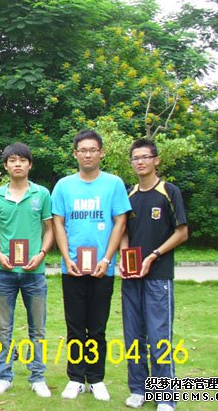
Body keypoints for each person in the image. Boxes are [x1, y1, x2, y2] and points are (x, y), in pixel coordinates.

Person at [51, 129, 131, 401]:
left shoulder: (114, 184)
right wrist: (66, 258)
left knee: (97, 327)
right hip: (72, 268)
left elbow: (120, 222)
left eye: (92, 150)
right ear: (75, 154)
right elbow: (58, 223)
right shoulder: (64, 186)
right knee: (75, 327)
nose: (87, 154)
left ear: (101, 153)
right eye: (82, 150)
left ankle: (96, 379)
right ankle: (75, 378)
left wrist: (107, 259)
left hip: (102, 269)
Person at [120, 139, 188, 411]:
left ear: (156, 160)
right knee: (133, 336)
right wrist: (124, 258)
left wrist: (153, 256)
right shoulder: (129, 195)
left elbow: (182, 232)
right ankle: (138, 389)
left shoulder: (169, 192)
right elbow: (123, 231)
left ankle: (165, 396)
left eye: (145, 157)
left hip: (159, 277)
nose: (140, 162)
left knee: (159, 337)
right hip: (131, 278)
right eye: (135, 158)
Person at [0, 143, 55, 398]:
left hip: (34, 273)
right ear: (5, 165)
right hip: (4, 272)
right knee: (3, 327)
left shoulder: (42, 194)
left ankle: (38, 377)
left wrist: (41, 254)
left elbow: (49, 229)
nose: (17, 164)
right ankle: (4, 375)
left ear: (29, 164)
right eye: (12, 160)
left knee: (38, 328)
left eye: (22, 160)